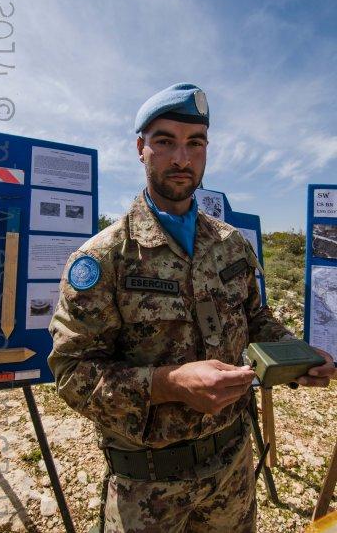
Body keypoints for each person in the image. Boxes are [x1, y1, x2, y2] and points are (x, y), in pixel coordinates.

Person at [48, 83, 336, 533]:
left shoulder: (230, 244)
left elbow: (256, 319)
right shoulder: (105, 258)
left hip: (233, 473)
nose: (181, 158)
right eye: (165, 141)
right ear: (141, 148)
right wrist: (169, 384)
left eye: (194, 143)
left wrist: (297, 354)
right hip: (147, 488)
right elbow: (71, 372)